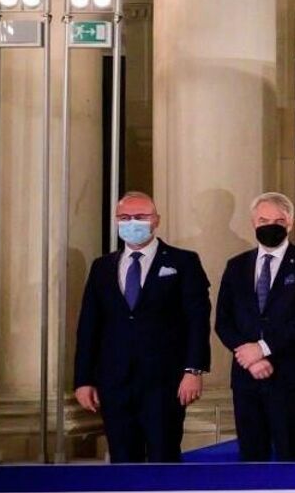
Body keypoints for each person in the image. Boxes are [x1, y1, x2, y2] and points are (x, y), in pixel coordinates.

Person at [73, 192, 212, 463]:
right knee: (123, 458)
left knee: (164, 454)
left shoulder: (183, 262)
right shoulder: (102, 267)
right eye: (125, 218)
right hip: (115, 382)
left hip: (165, 382)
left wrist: (193, 370)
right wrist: (83, 379)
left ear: (156, 220)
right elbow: (89, 325)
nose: (132, 222)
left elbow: (197, 320)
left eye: (140, 217)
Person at [215, 193, 295, 462]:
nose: (270, 225)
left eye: (278, 220)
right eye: (263, 220)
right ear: (253, 222)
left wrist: (263, 348)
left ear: (290, 223)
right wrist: (250, 358)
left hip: (291, 378)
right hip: (246, 379)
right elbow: (224, 321)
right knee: (251, 457)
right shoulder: (237, 265)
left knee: (292, 456)